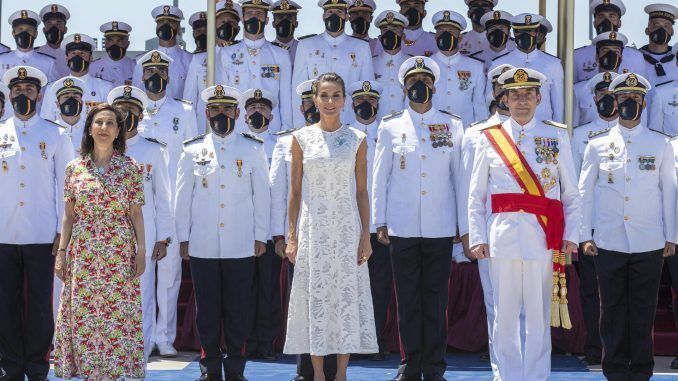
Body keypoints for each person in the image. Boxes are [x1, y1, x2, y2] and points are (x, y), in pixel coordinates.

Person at [468, 67, 581, 381]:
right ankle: (505, 375)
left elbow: (571, 192)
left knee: (537, 314)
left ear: (539, 98)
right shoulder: (488, 138)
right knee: (503, 314)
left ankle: (535, 376)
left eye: (527, 95)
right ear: (504, 98)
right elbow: (475, 194)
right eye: (514, 95)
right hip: (501, 236)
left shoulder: (556, 134)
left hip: (542, 236)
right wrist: (477, 236)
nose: (521, 101)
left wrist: (571, 234)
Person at [372, 56, 465, 381]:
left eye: (424, 80)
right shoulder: (390, 126)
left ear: (434, 86)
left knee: (435, 299)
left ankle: (434, 366)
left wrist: (461, 224)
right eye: (413, 81)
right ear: (404, 86)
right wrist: (378, 220)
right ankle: (410, 363)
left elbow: (460, 178)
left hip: (440, 226)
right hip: (403, 224)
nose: (419, 86)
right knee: (408, 299)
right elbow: (380, 176)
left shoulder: (453, 125)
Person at [579, 72, 677, 381]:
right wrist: (584, 235)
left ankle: (641, 371)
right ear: (615, 101)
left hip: (649, 240)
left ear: (644, 103)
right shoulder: (596, 145)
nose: (629, 104)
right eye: (624, 99)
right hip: (609, 240)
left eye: (635, 99)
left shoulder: (660, 144)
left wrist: (671, 236)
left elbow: (669, 192)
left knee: (642, 310)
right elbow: (585, 192)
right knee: (612, 310)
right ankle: (616, 371)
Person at [284, 72, 377, 381]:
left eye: (336, 95)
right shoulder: (300, 138)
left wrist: (366, 236)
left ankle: (341, 374)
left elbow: (361, 191)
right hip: (314, 230)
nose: (330, 101)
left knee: (344, 300)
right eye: (324, 95)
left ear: (344, 100)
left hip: (346, 229)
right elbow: (295, 192)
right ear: (314, 100)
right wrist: (292, 237)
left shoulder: (357, 139)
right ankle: (319, 375)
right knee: (317, 299)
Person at [176, 84, 270, 381]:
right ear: (206, 113)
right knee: (208, 310)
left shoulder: (253, 148)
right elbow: (182, 198)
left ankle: (235, 368)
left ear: (237, 113)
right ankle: (210, 366)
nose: (220, 115)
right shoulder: (192, 150)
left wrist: (260, 235)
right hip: (203, 242)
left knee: (237, 309)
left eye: (226, 109)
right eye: (215, 110)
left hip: (240, 242)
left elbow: (261, 196)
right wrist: (183, 238)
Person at [53, 103, 145, 380]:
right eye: (99, 123)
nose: (103, 128)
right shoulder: (74, 168)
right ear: (89, 129)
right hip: (84, 254)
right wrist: (61, 252)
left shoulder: (130, 168)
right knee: (85, 317)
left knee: (116, 317)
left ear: (119, 131)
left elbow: (136, 214)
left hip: (118, 252)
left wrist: (140, 252)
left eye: (110, 124)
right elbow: (68, 216)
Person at [0, 65, 73, 381]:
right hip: (3, 233)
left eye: (28, 90)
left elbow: (66, 188)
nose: (22, 95)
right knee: (5, 305)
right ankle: (11, 364)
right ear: (9, 94)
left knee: (41, 306)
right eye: (17, 90)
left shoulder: (56, 133)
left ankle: (38, 364)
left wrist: (61, 231)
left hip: (43, 233)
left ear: (39, 94)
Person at [137, 49, 198, 357]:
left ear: (169, 75)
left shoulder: (183, 111)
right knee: (143, 274)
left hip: (173, 203)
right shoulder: (132, 110)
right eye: (150, 71)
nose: (155, 76)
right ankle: (144, 337)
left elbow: (192, 155)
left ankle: (165, 335)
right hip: (142, 205)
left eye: (161, 71)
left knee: (170, 274)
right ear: (142, 75)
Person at [109, 85, 175, 362]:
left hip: (142, 239)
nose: (127, 116)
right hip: (107, 239)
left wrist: (164, 237)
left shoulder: (153, 150)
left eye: (132, 111)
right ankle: (111, 351)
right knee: (110, 300)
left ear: (141, 114)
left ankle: (140, 353)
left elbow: (163, 197)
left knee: (141, 299)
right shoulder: (102, 150)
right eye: (121, 112)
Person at [460, 62, 513, 381]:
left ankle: (528, 369)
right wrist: (470, 233)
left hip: (534, 231)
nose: (511, 96)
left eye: (518, 90)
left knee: (529, 306)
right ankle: (502, 370)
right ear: (494, 92)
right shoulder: (476, 133)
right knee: (497, 305)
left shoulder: (542, 133)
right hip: (492, 230)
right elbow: (470, 190)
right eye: (504, 89)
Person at [570, 71, 619, 366]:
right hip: (591, 226)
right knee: (591, 290)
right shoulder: (579, 135)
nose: (607, 99)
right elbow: (574, 186)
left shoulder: (632, 132)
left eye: (612, 94)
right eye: (601, 94)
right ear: (594, 98)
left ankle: (619, 345)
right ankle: (594, 344)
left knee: (620, 290)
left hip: (623, 223)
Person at [347, 79, 391, 361]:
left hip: (379, 224)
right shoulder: (345, 135)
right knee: (351, 284)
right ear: (352, 105)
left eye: (371, 101)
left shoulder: (387, 133)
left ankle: (373, 341)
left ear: (377, 104)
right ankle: (351, 340)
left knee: (379, 286)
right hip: (351, 222)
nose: (366, 105)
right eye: (361, 101)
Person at [240, 88, 283, 361]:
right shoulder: (238, 143)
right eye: (253, 109)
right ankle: (245, 342)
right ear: (244, 115)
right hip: (242, 228)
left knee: (268, 290)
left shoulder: (281, 144)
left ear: (271, 114)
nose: (258, 113)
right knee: (243, 289)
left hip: (268, 230)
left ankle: (265, 343)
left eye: (263, 109)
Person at [291, 0, 374, 127]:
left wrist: (364, 126)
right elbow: (298, 92)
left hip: (350, 121)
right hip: (316, 121)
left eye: (339, 12)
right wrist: (299, 127)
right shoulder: (306, 45)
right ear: (323, 16)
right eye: (330, 11)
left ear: (346, 17)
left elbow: (366, 90)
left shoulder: (361, 47)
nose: (334, 15)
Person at [216, 0, 292, 136]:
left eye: (259, 13)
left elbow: (286, 98)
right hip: (238, 128)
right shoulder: (226, 53)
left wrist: (285, 132)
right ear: (242, 18)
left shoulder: (280, 54)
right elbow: (224, 96)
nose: (254, 17)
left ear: (267, 19)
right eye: (249, 13)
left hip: (271, 129)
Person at [489, 13, 564, 123]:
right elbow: (490, 99)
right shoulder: (499, 63)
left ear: (537, 33)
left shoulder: (553, 63)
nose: (526, 35)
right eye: (521, 31)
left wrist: (558, 130)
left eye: (530, 31)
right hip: (508, 127)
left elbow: (558, 103)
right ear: (514, 33)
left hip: (542, 127)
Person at [184, 1, 243, 134]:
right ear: (214, 26)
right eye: (222, 22)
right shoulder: (199, 59)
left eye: (232, 22)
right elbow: (189, 100)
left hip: (237, 125)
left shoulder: (245, 57)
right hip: (204, 125)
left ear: (238, 29)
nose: (227, 25)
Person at [573, 32, 650, 127]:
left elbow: (641, 127)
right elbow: (573, 126)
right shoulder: (578, 90)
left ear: (621, 57)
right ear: (597, 56)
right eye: (605, 50)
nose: (610, 54)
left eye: (616, 51)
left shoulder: (634, 91)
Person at [430, 10, 487, 128]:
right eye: (441, 31)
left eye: (451, 31)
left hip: (465, 132)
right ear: (435, 36)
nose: (445, 35)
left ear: (460, 37)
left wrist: (479, 134)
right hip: (433, 132)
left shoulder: (476, 67)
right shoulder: (427, 65)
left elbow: (479, 105)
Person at [41, 33, 114, 121]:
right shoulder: (52, 88)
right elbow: (47, 121)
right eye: (73, 53)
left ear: (91, 58)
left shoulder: (105, 88)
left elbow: (109, 120)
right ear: (66, 58)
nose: (77, 57)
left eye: (82, 54)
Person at [573, 0, 646, 83]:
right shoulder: (577, 56)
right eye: (601, 16)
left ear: (619, 23)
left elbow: (644, 92)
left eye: (611, 16)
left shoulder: (636, 57)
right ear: (594, 23)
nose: (606, 21)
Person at [132, 5, 192, 99]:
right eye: (161, 22)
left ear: (179, 27)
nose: (165, 26)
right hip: (150, 112)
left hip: (179, 112)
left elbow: (191, 94)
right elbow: (137, 94)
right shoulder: (142, 60)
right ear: (156, 27)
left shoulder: (190, 60)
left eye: (171, 22)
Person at [0, 10, 59, 82]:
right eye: (20, 29)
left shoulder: (49, 63)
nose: (24, 33)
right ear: (13, 33)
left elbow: (53, 90)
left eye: (29, 29)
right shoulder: (1, 60)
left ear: (36, 34)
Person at [372, 10, 410, 120]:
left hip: (405, 125)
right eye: (385, 29)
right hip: (378, 123)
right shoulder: (371, 63)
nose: (390, 33)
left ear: (403, 36)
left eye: (394, 29)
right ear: (380, 37)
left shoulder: (411, 63)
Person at [639, 4, 678, 86]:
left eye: (666, 26)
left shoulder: (676, 57)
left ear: (672, 32)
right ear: (647, 30)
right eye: (656, 25)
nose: (661, 29)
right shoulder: (635, 57)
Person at [90, 21, 136, 87]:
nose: (115, 44)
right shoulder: (92, 67)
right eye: (110, 40)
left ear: (127, 44)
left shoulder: (136, 68)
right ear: (105, 43)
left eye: (119, 40)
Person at [52, 76, 87, 156]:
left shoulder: (90, 129)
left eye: (75, 97)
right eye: (66, 97)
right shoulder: (49, 130)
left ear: (82, 103)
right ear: (57, 104)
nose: (71, 101)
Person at [36, 4, 70, 78]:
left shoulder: (73, 54)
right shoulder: (36, 54)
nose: (54, 27)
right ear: (44, 30)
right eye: (49, 23)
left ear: (65, 29)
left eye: (59, 23)